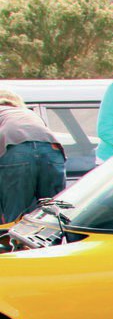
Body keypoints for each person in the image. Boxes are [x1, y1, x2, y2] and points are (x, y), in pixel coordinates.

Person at [0, 88, 65, 223]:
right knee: (53, 209)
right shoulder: (27, 113)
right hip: (52, 150)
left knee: (17, 212)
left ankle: (16, 242)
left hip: (16, 150)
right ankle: (58, 242)